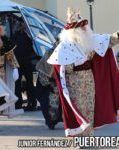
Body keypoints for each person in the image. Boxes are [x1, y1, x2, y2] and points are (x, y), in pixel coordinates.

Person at [47, 8, 119, 137]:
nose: (86, 30)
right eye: (82, 28)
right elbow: (59, 68)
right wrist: (74, 64)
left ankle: (88, 136)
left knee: (90, 109)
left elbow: (108, 41)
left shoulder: (89, 41)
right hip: (74, 85)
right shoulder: (64, 47)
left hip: (89, 82)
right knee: (78, 109)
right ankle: (79, 138)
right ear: (75, 31)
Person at [36, 41, 62, 130]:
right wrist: (48, 83)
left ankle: (57, 120)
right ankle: (50, 122)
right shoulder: (49, 53)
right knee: (48, 104)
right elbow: (44, 69)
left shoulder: (67, 52)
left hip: (60, 83)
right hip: (49, 84)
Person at [12, 17, 37, 111]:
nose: (22, 25)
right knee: (17, 83)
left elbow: (34, 46)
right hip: (18, 62)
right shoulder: (16, 35)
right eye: (21, 24)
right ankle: (18, 104)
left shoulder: (29, 35)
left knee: (30, 83)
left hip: (27, 61)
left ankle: (32, 103)